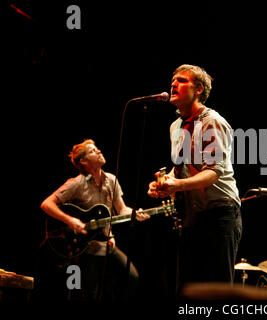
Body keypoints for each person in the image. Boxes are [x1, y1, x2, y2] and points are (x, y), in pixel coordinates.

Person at [147, 64, 242, 289]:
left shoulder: (212, 122)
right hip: (192, 217)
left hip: (220, 215)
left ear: (198, 89)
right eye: (173, 80)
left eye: (181, 80)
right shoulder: (175, 126)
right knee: (188, 289)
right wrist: (164, 183)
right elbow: (179, 168)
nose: (173, 84)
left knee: (216, 291)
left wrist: (177, 185)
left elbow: (213, 173)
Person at [41, 139, 150, 300]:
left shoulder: (111, 180)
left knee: (131, 277)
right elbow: (46, 204)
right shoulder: (76, 183)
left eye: (97, 149)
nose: (99, 151)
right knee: (87, 294)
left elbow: (121, 210)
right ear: (84, 161)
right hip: (85, 248)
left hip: (107, 244)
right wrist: (70, 220)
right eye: (93, 151)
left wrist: (135, 213)